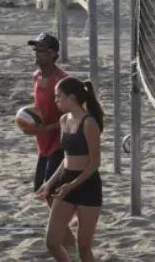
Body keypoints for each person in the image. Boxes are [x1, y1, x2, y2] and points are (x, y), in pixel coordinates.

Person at [36, 76, 105, 262]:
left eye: (59, 96)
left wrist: (73, 185)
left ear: (72, 97)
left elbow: (95, 163)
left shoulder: (89, 123)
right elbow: (66, 158)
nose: (56, 100)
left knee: (84, 248)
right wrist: (48, 184)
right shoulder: (63, 120)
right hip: (66, 182)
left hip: (87, 185)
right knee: (52, 242)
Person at [27, 33, 73, 251]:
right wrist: (29, 124)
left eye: (42, 49)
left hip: (60, 144)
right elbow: (39, 110)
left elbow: (72, 115)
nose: (37, 53)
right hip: (43, 144)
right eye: (35, 49)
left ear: (53, 53)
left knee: (51, 194)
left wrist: (48, 128)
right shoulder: (37, 77)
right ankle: (65, 244)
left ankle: (70, 247)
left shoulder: (61, 80)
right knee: (42, 191)